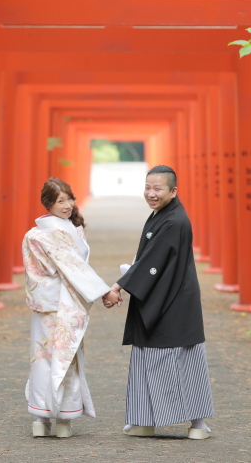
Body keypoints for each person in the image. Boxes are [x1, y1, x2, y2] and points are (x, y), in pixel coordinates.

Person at [103, 165, 214, 440]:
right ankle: (144, 420)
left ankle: (198, 423)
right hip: (162, 294)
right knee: (148, 358)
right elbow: (148, 260)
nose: (151, 194)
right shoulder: (163, 215)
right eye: (147, 188)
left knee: (182, 360)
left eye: (158, 189)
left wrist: (118, 286)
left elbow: (151, 262)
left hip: (172, 301)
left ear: (173, 191)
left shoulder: (174, 221)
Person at [22, 177, 112, 438]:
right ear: (48, 204)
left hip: (49, 301)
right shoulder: (46, 234)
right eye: (60, 201)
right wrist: (104, 291)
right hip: (61, 303)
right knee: (62, 357)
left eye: (69, 199)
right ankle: (57, 420)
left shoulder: (39, 233)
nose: (67, 205)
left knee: (45, 358)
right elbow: (74, 269)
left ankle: (47, 419)